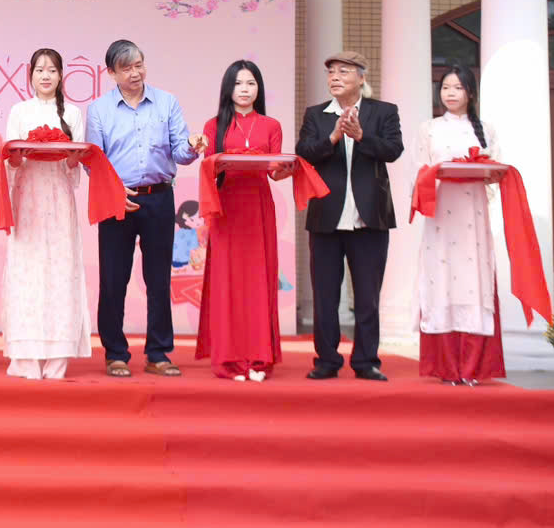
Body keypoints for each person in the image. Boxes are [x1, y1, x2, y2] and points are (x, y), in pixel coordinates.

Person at [85, 39, 206, 378]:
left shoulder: (167, 102)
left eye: (139, 65)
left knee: (158, 278)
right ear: (111, 73)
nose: (135, 73)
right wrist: (112, 189)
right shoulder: (99, 110)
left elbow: (180, 152)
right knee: (113, 279)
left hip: (159, 197)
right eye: (126, 68)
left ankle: (158, 353)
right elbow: (93, 161)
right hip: (117, 199)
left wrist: (192, 146)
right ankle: (115, 354)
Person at [296, 51, 403, 382]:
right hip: (326, 218)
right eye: (331, 72)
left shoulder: (383, 112)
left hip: (370, 218)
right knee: (325, 296)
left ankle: (366, 361)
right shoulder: (316, 114)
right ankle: (327, 361)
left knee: (368, 296)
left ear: (361, 77)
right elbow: (304, 153)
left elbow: (393, 150)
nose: (335, 77)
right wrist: (332, 137)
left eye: (344, 71)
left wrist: (360, 136)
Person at [0, 48, 92, 380]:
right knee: (27, 270)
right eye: (39, 70)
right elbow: (11, 162)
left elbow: (73, 166)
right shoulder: (19, 111)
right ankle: (25, 357)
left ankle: (57, 357)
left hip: (59, 198)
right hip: (28, 198)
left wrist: (71, 156)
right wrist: (17, 155)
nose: (45, 76)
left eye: (52, 70)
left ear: (61, 75)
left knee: (60, 271)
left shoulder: (74, 113)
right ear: (31, 75)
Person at [194, 60, 289, 381]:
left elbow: (275, 172)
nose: (244, 89)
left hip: (258, 208)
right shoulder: (213, 126)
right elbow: (209, 168)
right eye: (238, 83)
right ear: (228, 88)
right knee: (228, 282)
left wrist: (287, 169)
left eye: (250, 83)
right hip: (226, 208)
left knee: (259, 280)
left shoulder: (271, 125)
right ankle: (229, 360)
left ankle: (259, 359)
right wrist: (208, 156)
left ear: (259, 88)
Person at [415, 64, 505, 385]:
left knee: (473, 277)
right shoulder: (429, 128)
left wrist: (484, 171)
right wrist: (439, 171)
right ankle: (447, 367)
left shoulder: (486, 129)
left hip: (473, 215)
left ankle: (472, 368)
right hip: (441, 214)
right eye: (445, 88)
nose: (450, 94)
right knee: (440, 277)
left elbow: (495, 172)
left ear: (470, 93)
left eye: (458, 88)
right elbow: (420, 170)